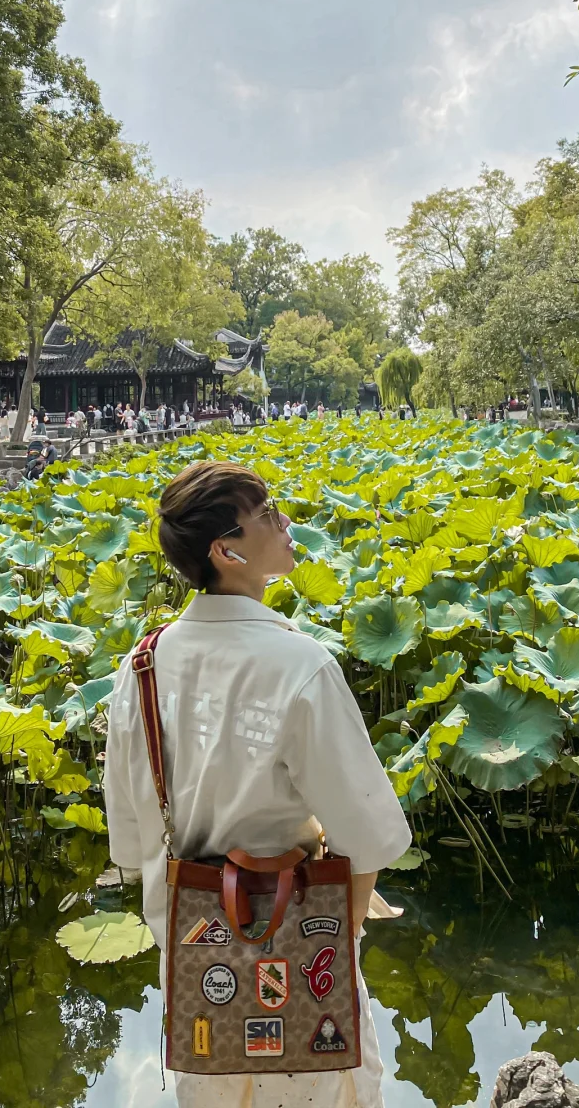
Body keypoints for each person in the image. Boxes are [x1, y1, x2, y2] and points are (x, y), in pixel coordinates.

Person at [104, 462, 411, 1108]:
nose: (287, 522)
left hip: (199, 986)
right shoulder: (300, 665)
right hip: (308, 976)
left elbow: (133, 849)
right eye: (268, 512)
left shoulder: (141, 671)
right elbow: (372, 836)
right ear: (228, 551)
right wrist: (335, 941)